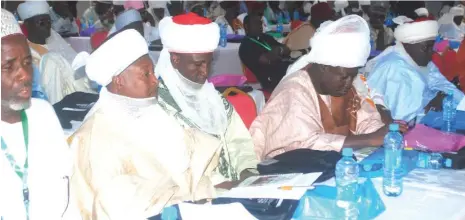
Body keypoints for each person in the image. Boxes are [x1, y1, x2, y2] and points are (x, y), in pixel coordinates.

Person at [69, 29, 222, 219]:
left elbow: (188, 167)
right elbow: (109, 206)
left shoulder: (153, 112)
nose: (155, 81)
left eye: (153, 72)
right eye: (146, 74)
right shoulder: (93, 138)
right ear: (119, 81)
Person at [250, 15, 402, 160]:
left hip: (334, 166)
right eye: (344, 76)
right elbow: (301, 145)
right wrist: (369, 139)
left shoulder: (344, 84)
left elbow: (367, 120)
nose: (349, 83)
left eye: (353, 76)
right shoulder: (293, 91)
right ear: (323, 67)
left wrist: (383, 131)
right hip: (290, 175)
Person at [156, 13, 258, 190]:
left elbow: (239, 141)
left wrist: (247, 172)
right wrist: (226, 185)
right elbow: (178, 168)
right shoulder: (160, 105)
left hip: (235, 187)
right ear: (175, 59)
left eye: (208, 63)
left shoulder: (214, 98)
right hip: (196, 193)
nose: (205, 72)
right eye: (197, 64)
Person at [0, 9, 78, 220]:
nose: (25, 74)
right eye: (9, 66)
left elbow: (69, 199)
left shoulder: (43, 114)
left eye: (27, 62)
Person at [366, 16, 465, 122]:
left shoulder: (422, 63)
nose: (431, 52)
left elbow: (446, 88)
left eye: (432, 47)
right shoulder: (394, 69)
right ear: (408, 46)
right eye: (426, 47)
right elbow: (400, 121)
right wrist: (429, 108)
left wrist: (443, 97)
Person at [17, 1, 94, 104]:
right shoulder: (26, 51)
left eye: (49, 22)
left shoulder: (55, 38)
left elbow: (74, 61)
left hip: (75, 88)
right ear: (27, 24)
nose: (47, 26)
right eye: (41, 23)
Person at [239, 14, 292, 92]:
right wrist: (277, 52)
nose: (260, 25)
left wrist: (278, 50)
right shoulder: (246, 45)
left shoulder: (265, 37)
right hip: (271, 79)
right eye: (256, 23)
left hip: (285, 69)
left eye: (260, 23)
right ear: (247, 27)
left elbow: (287, 48)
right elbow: (265, 59)